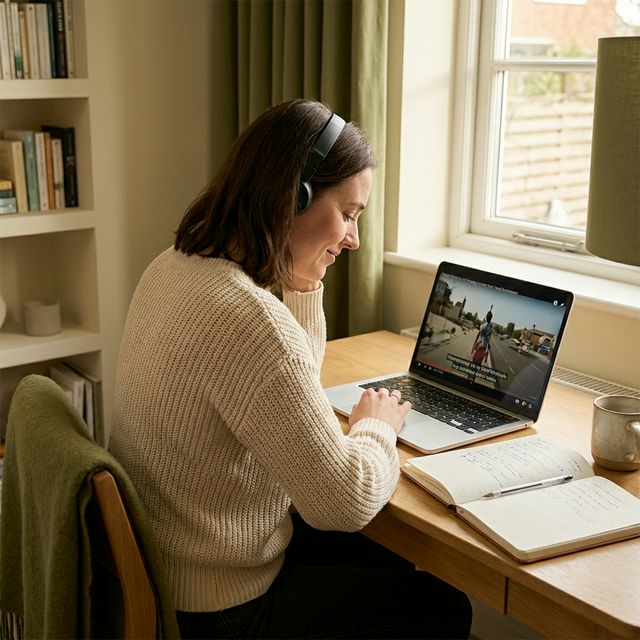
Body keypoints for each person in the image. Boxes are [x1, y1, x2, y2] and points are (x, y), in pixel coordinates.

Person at [108, 99, 472, 639]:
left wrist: (300, 282)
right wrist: (377, 429)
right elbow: (344, 501)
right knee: (446, 607)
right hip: (220, 610)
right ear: (292, 198)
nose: (353, 239)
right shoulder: (249, 321)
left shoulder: (174, 265)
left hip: (170, 567)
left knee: (381, 554)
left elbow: (290, 374)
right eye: (348, 214)